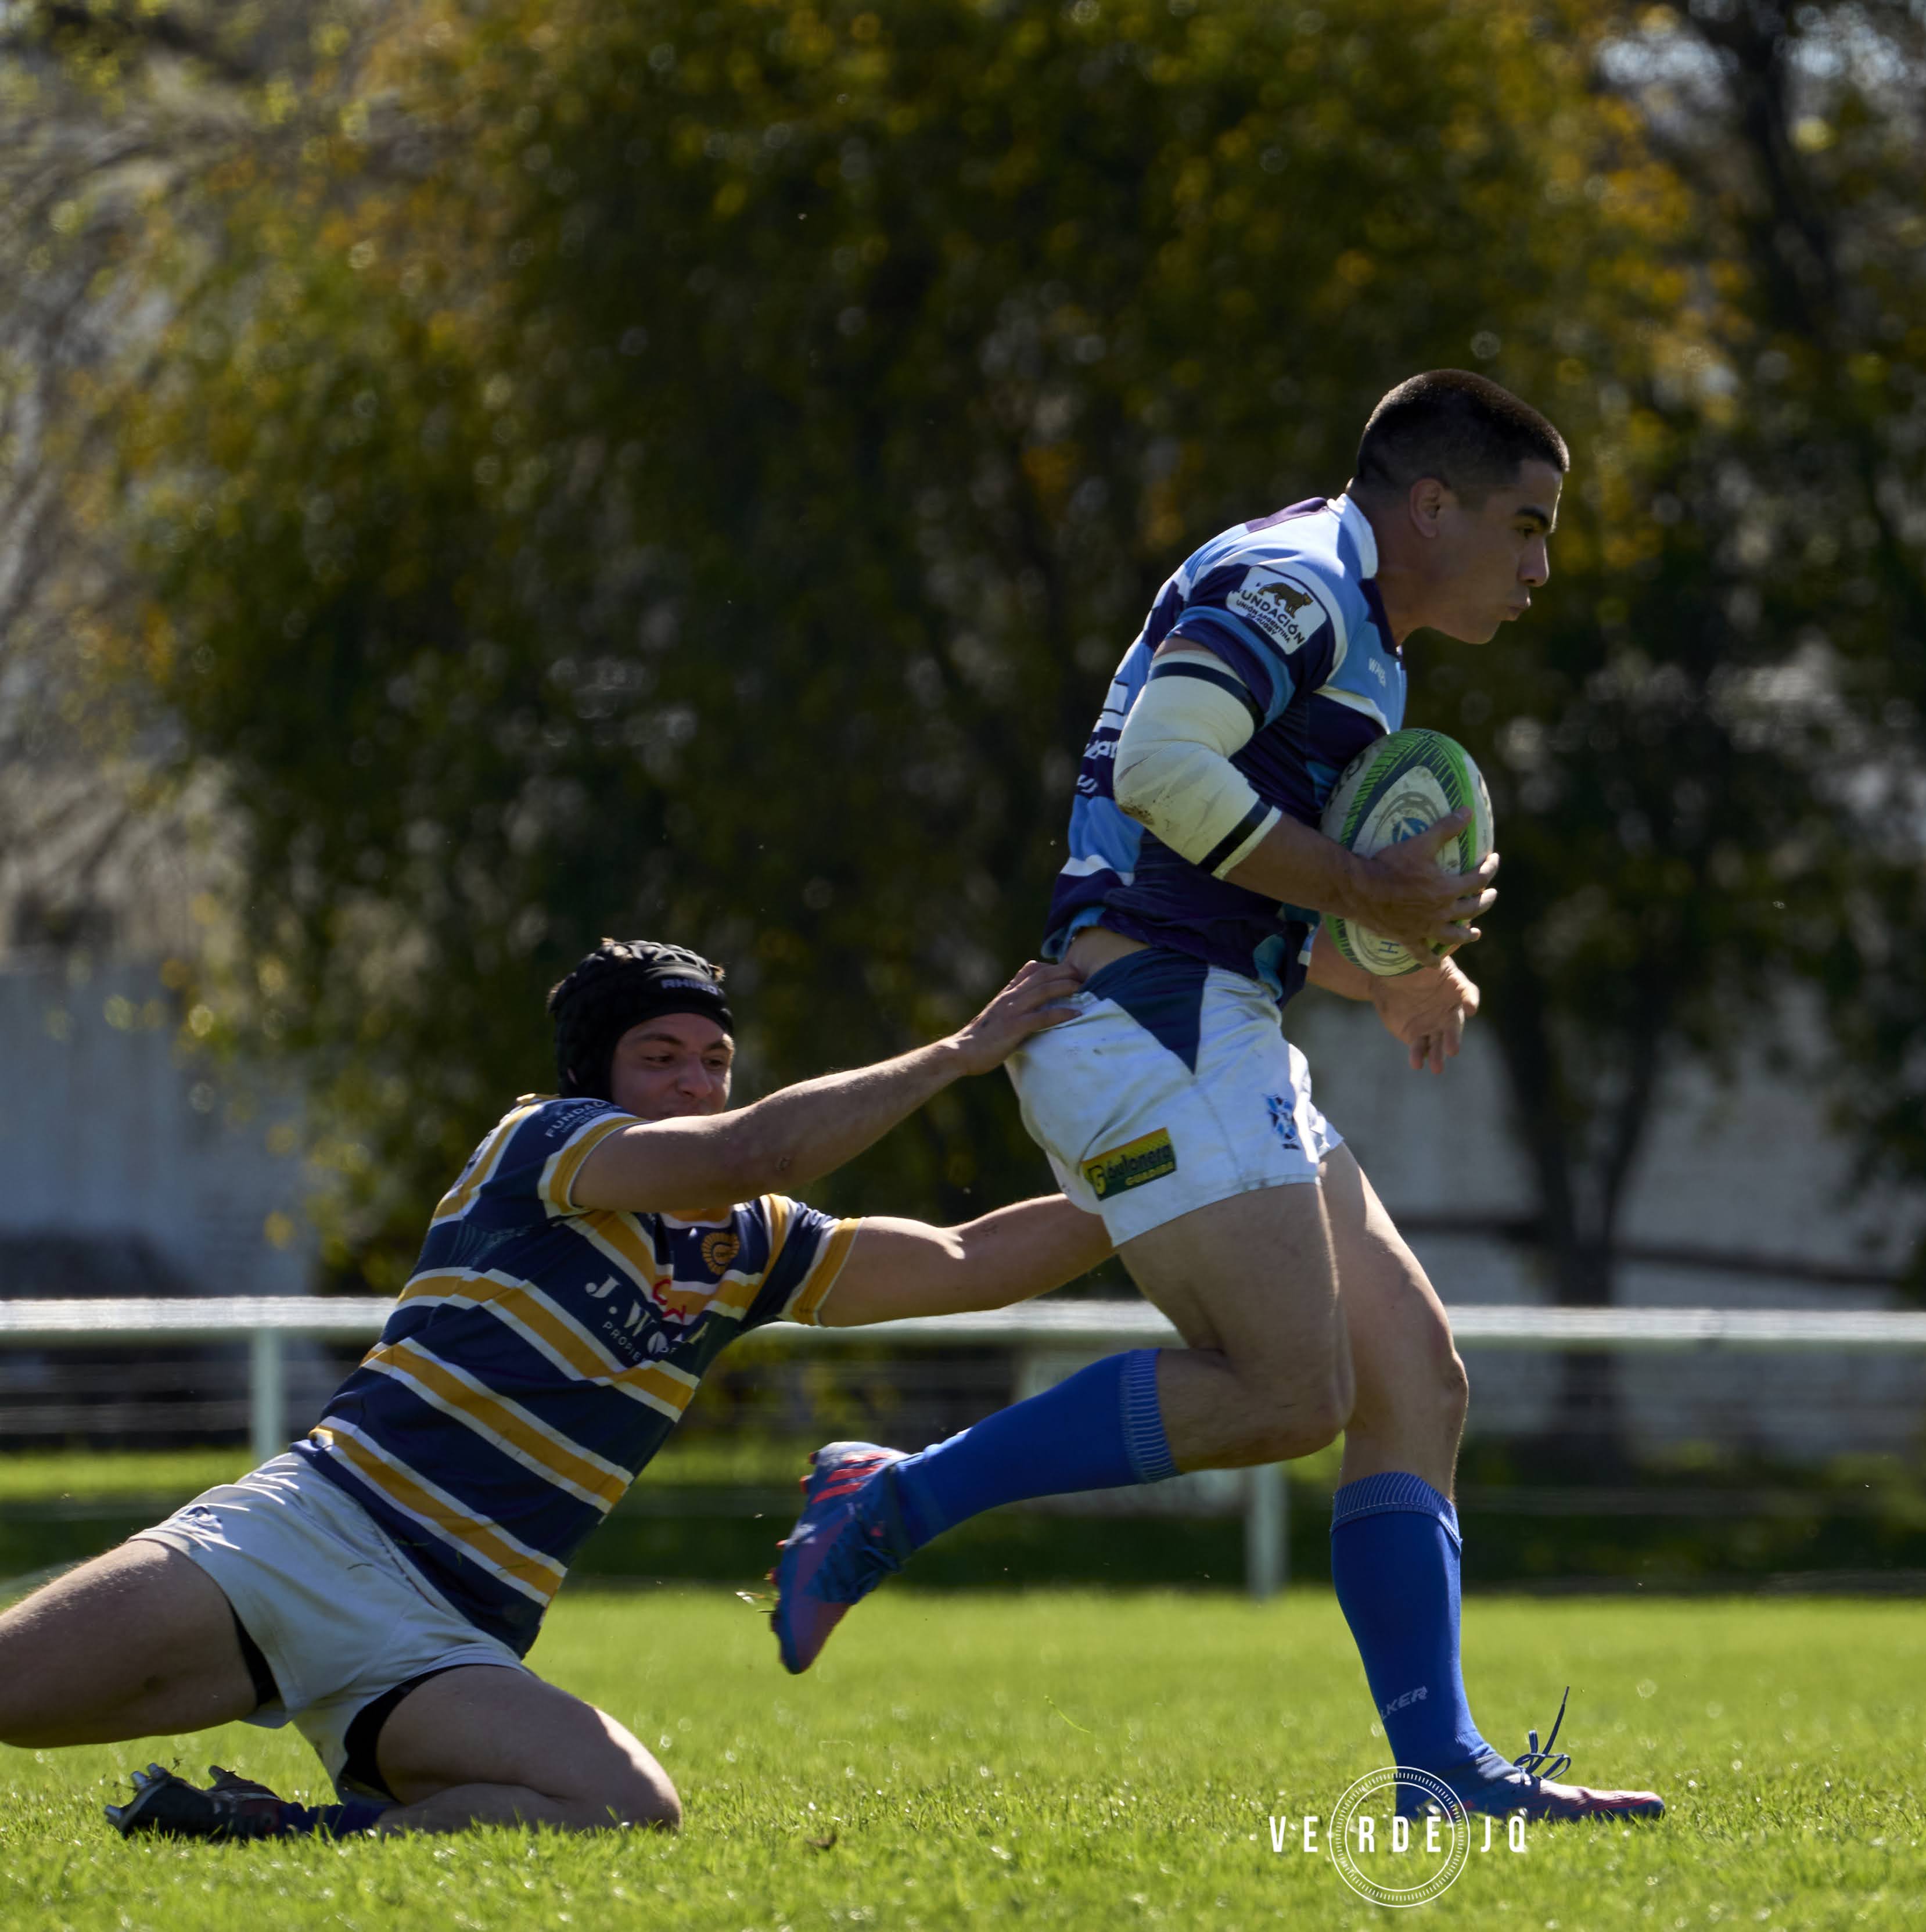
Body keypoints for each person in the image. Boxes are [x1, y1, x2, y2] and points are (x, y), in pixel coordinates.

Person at [771, 370, 1665, 1822]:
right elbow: (1161, 764)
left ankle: (1440, 1770)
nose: (1539, 565)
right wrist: (1361, 889)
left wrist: (1370, 965)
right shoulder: (1298, 584)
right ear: (1428, 503)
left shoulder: (1362, 635)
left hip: (1207, 1014)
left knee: (1413, 1380)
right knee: (1287, 1390)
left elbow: (1207, 863)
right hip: (1145, 1023)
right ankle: (889, 1498)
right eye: (1526, 524)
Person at [0, 939, 1105, 1838]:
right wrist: (961, 1050)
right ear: (599, 1078)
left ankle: (271, 1828)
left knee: (629, 1810)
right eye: (660, 1055)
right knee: (15, 1689)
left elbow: (971, 1261)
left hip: (450, 1633)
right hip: (311, 1532)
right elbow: (750, 1149)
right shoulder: (544, 1144)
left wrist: (1190, 1180)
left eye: (714, 1059)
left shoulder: (751, 1244)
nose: (695, 1081)